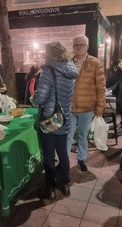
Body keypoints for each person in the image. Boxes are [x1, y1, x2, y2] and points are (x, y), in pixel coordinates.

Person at [31, 41, 78, 199]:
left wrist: (33, 98)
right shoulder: (70, 69)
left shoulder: (49, 70)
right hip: (64, 117)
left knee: (49, 154)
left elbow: (41, 97)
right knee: (63, 152)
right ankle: (65, 183)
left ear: (50, 54)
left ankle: (50, 187)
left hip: (50, 119)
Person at [67, 34, 106, 172]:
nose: (78, 48)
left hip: (87, 107)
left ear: (87, 47)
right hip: (69, 108)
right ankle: (65, 161)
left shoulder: (95, 63)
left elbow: (101, 88)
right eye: (75, 45)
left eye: (81, 45)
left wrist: (99, 108)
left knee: (83, 135)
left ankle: (81, 159)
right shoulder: (67, 63)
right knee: (67, 135)